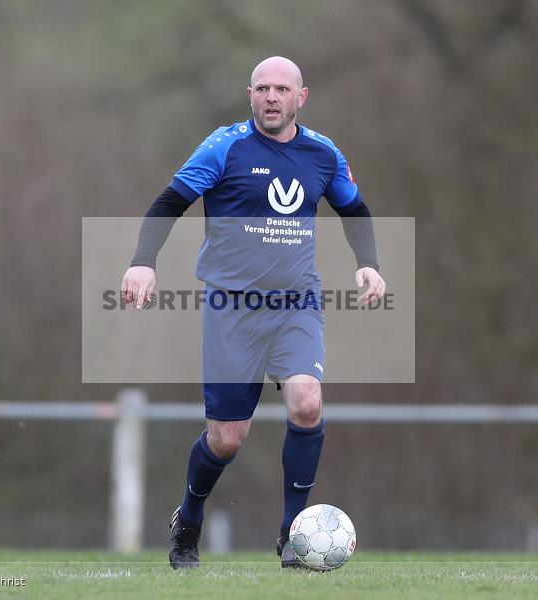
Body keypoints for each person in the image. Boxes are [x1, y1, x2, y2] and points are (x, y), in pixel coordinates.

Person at [120, 56, 385, 569]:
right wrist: (142, 263)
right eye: (262, 88)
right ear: (249, 95)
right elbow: (168, 202)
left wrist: (369, 264)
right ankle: (189, 519)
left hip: (297, 304)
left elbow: (355, 211)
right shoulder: (224, 147)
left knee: (307, 403)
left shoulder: (323, 154)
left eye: (281, 89)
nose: (271, 97)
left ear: (300, 97)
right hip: (231, 308)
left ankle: (292, 535)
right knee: (226, 438)